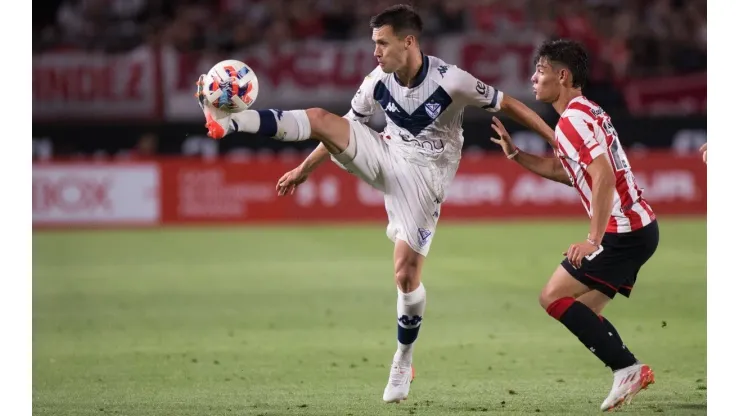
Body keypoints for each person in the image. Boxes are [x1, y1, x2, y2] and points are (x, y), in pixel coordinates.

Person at [196, 4, 554, 404]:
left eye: (382, 43)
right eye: (374, 43)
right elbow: (345, 126)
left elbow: (509, 104)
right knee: (320, 117)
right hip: (385, 154)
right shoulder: (376, 81)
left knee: (405, 275)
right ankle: (230, 123)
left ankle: (403, 357)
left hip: (424, 180)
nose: (375, 52)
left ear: (408, 42)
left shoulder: (452, 80)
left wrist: (555, 139)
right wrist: (304, 169)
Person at [490, 39, 659, 412]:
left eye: (540, 71)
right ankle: (628, 370)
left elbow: (603, 178)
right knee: (585, 312)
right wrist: (516, 154)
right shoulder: (586, 112)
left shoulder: (573, 120)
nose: (533, 79)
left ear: (562, 76)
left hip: (623, 230)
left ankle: (627, 368)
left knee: (551, 297)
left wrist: (592, 240)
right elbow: (566, 172)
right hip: (639, 227)